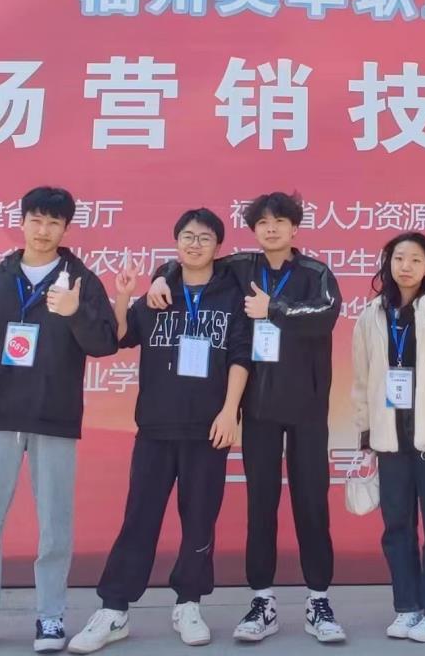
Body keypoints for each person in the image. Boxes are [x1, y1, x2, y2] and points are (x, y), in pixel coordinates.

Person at [144, 192, 345, 643]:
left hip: (308, 408)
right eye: (263, 223)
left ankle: (318, 599)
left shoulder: (315, 273)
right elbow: (193, 263)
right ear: (254, 231)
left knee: (312, 503)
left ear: (295, 229)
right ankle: (262, 600)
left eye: (280, 222)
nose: (271, 230)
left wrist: (273, 309)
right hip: (257, 409)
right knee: (261, 504)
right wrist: (160, 277)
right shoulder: (240, 267)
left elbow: (326, 314)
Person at [0, 186, 120, 656]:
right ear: (21, 222)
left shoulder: (80, 280)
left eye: (54, 223)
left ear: (66, 229)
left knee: (55, 525)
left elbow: (105, 343)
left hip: (53, 415)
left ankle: (50, 616)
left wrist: (75, 313)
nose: (44, 230)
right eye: (36, 220)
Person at [69, 209, 253, 654]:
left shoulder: (231, 295)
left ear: (218, 246)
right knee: (139, 519)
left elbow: (240, 356)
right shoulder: (159, 293)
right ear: (175, 242)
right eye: (187, 236)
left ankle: (188, 604)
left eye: (204, 238)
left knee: (199, 521)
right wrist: (124, 294)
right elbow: (118, 337)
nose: (195, 244)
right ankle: (114, 610)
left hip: (207, 429)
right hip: (154, 426)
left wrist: (230, 412)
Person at [350, 231, 425, 643]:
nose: (406, 266)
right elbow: (362, 379)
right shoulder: (371, 314)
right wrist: (366, 436)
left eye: (416, 259)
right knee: (397, 529)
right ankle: (408, 607)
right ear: (388, 263)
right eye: (399, 257)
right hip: (390, 440)